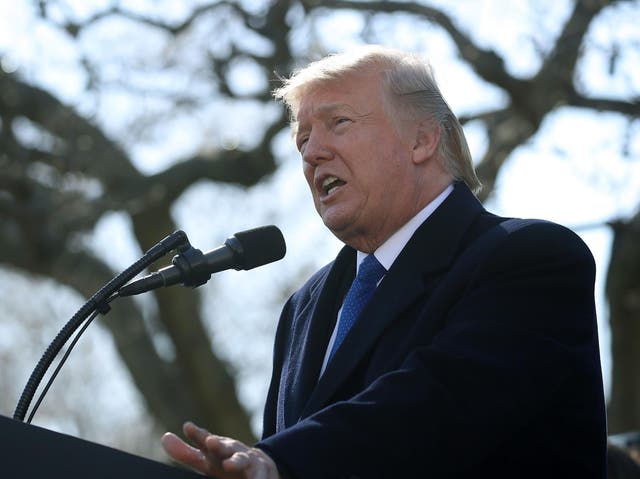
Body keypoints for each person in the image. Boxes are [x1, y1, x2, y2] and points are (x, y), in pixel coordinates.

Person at [162, 45, 607, 478]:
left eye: (338, 122)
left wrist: (283, 462)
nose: (312, 152)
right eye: (303, 139)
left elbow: (438, 408)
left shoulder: (532, 257)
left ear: (422, 139)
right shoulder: (304, 307)